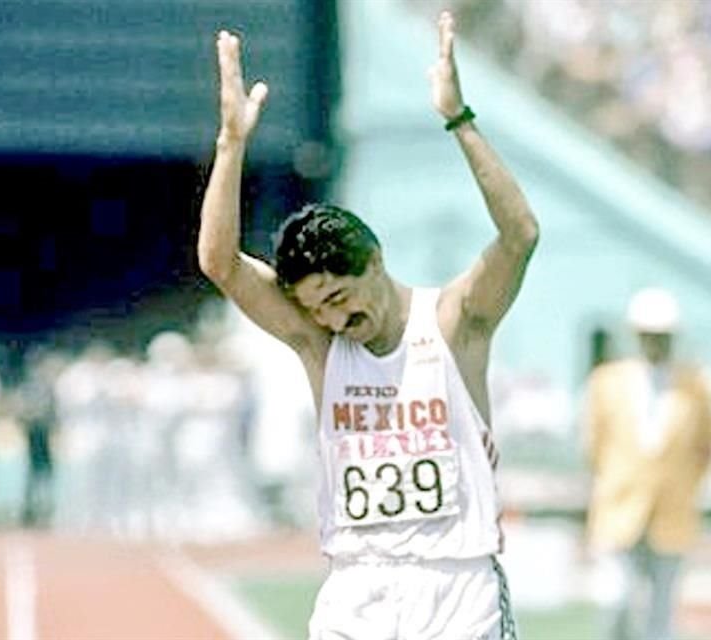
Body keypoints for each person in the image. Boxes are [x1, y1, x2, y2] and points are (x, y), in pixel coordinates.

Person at [197, 11, 538, 640]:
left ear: (375, 261)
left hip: (456, 587)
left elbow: (520, 235)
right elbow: (219, 264)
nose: (332, 319)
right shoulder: (322, 345)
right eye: (316, 308)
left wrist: (459, 120)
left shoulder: (455, 323)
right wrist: (230, 145)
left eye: (339, 298)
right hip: (357, 586)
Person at [582, 287, 711, 640]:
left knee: (661, 616)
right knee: (616, 602)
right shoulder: (606, 382)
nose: (657, 344)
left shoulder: (696, 387)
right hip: (619, 510)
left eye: (663, 337)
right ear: (636, 336)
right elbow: (595, 444)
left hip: (672, 515)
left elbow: (706, 448)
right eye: (650, 336)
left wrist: (682, 488)